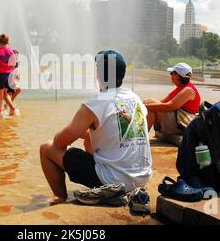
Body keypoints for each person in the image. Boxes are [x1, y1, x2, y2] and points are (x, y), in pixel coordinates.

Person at [40, 50, 152, 207]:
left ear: (99, 74)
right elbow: (121, 133)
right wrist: (86, 134)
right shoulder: (135, 99)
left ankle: (60, 199)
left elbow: (58, 143)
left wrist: (75, 131)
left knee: (46, 148)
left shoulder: (95, 104)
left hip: (115, 181)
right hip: (141, 178)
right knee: (89, 140)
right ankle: (114, 188)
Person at [143, 63, 201, 145]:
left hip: (182, 124)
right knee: (150, 104)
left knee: (150, 104)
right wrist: (145, 105)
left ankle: (141, 140)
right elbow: (162, 102)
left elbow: (169, 107)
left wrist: (142, 107)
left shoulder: (188, 90)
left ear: (177, 76)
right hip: (177, 121)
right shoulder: (181, 89)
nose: (170, 76)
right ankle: (141, 139)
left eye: (172, 73)